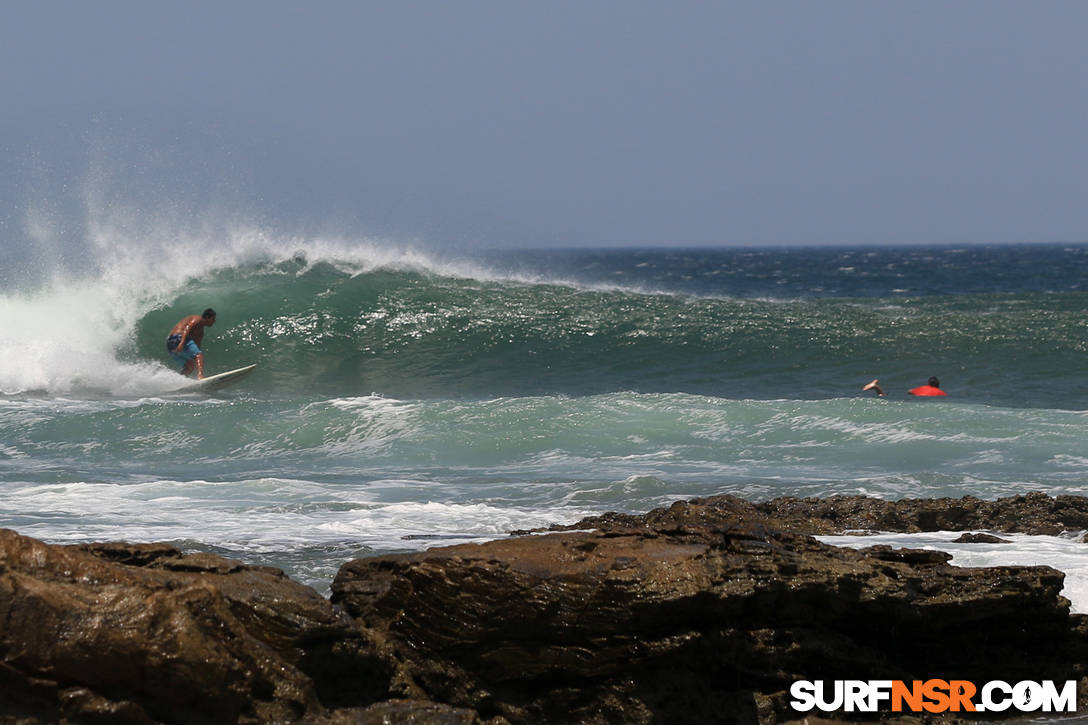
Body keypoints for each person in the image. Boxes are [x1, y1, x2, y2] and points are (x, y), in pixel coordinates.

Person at [166, 309, 216, 378]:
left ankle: (178, 381)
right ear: (207, 317)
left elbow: (197, 346)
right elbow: (187, 328)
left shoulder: (200, 332)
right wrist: (182, 342)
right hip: (177, 338)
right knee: (198, 354)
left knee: (190, 366)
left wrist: (197, 359)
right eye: (213, 319)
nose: (214, 322)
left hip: (170, 344)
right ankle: (200, 376)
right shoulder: (198, 319)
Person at [862, 376, 947, 397]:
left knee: (884, 396)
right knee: (883, 397)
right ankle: (875, 386)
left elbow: (909, 391)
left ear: (928, 383)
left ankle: (875, 386)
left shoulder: (923, 388)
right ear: (938, 385)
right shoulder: (941, 393)